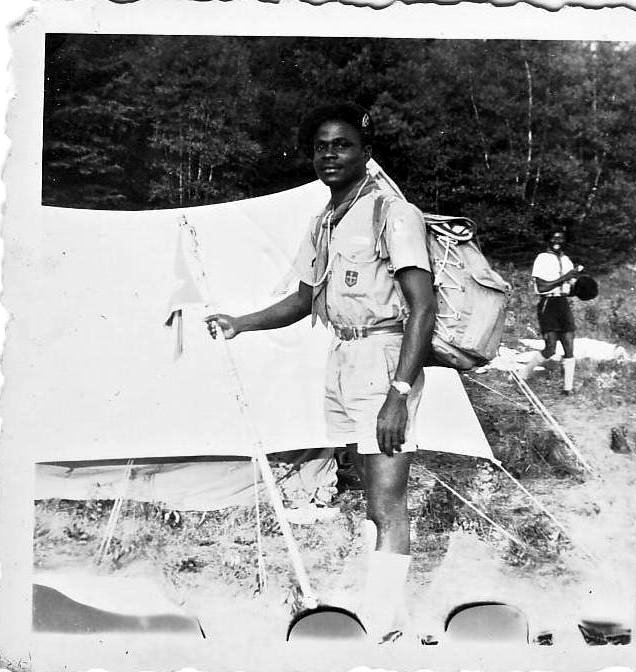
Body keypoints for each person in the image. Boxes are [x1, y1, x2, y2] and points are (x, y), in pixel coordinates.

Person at [204, 102, 436, 642]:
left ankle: (379, 625)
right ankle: (386, 612)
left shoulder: (393, 212)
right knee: (368, 492)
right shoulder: (325, 219)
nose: (330, 154)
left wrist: (399, 392)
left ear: (366, 153)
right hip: (343, 360)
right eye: (321, 146)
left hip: (385, 361)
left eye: (343, 145)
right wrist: (242, 322)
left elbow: (422, 307)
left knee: (386, 497)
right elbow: (305, 299)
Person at [520, 229, 583, 394]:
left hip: (562, 303)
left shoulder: (567, 260)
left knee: (569, 346)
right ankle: (523, 375)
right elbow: (542, 287)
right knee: (550, 348)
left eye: (561, 239)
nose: (557, 241)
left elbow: (570, 288)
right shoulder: (542, 258)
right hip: (548, 303)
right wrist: (565, 277)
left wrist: (581, 287)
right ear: (548, 240)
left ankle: (567, 389)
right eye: (554, 238)